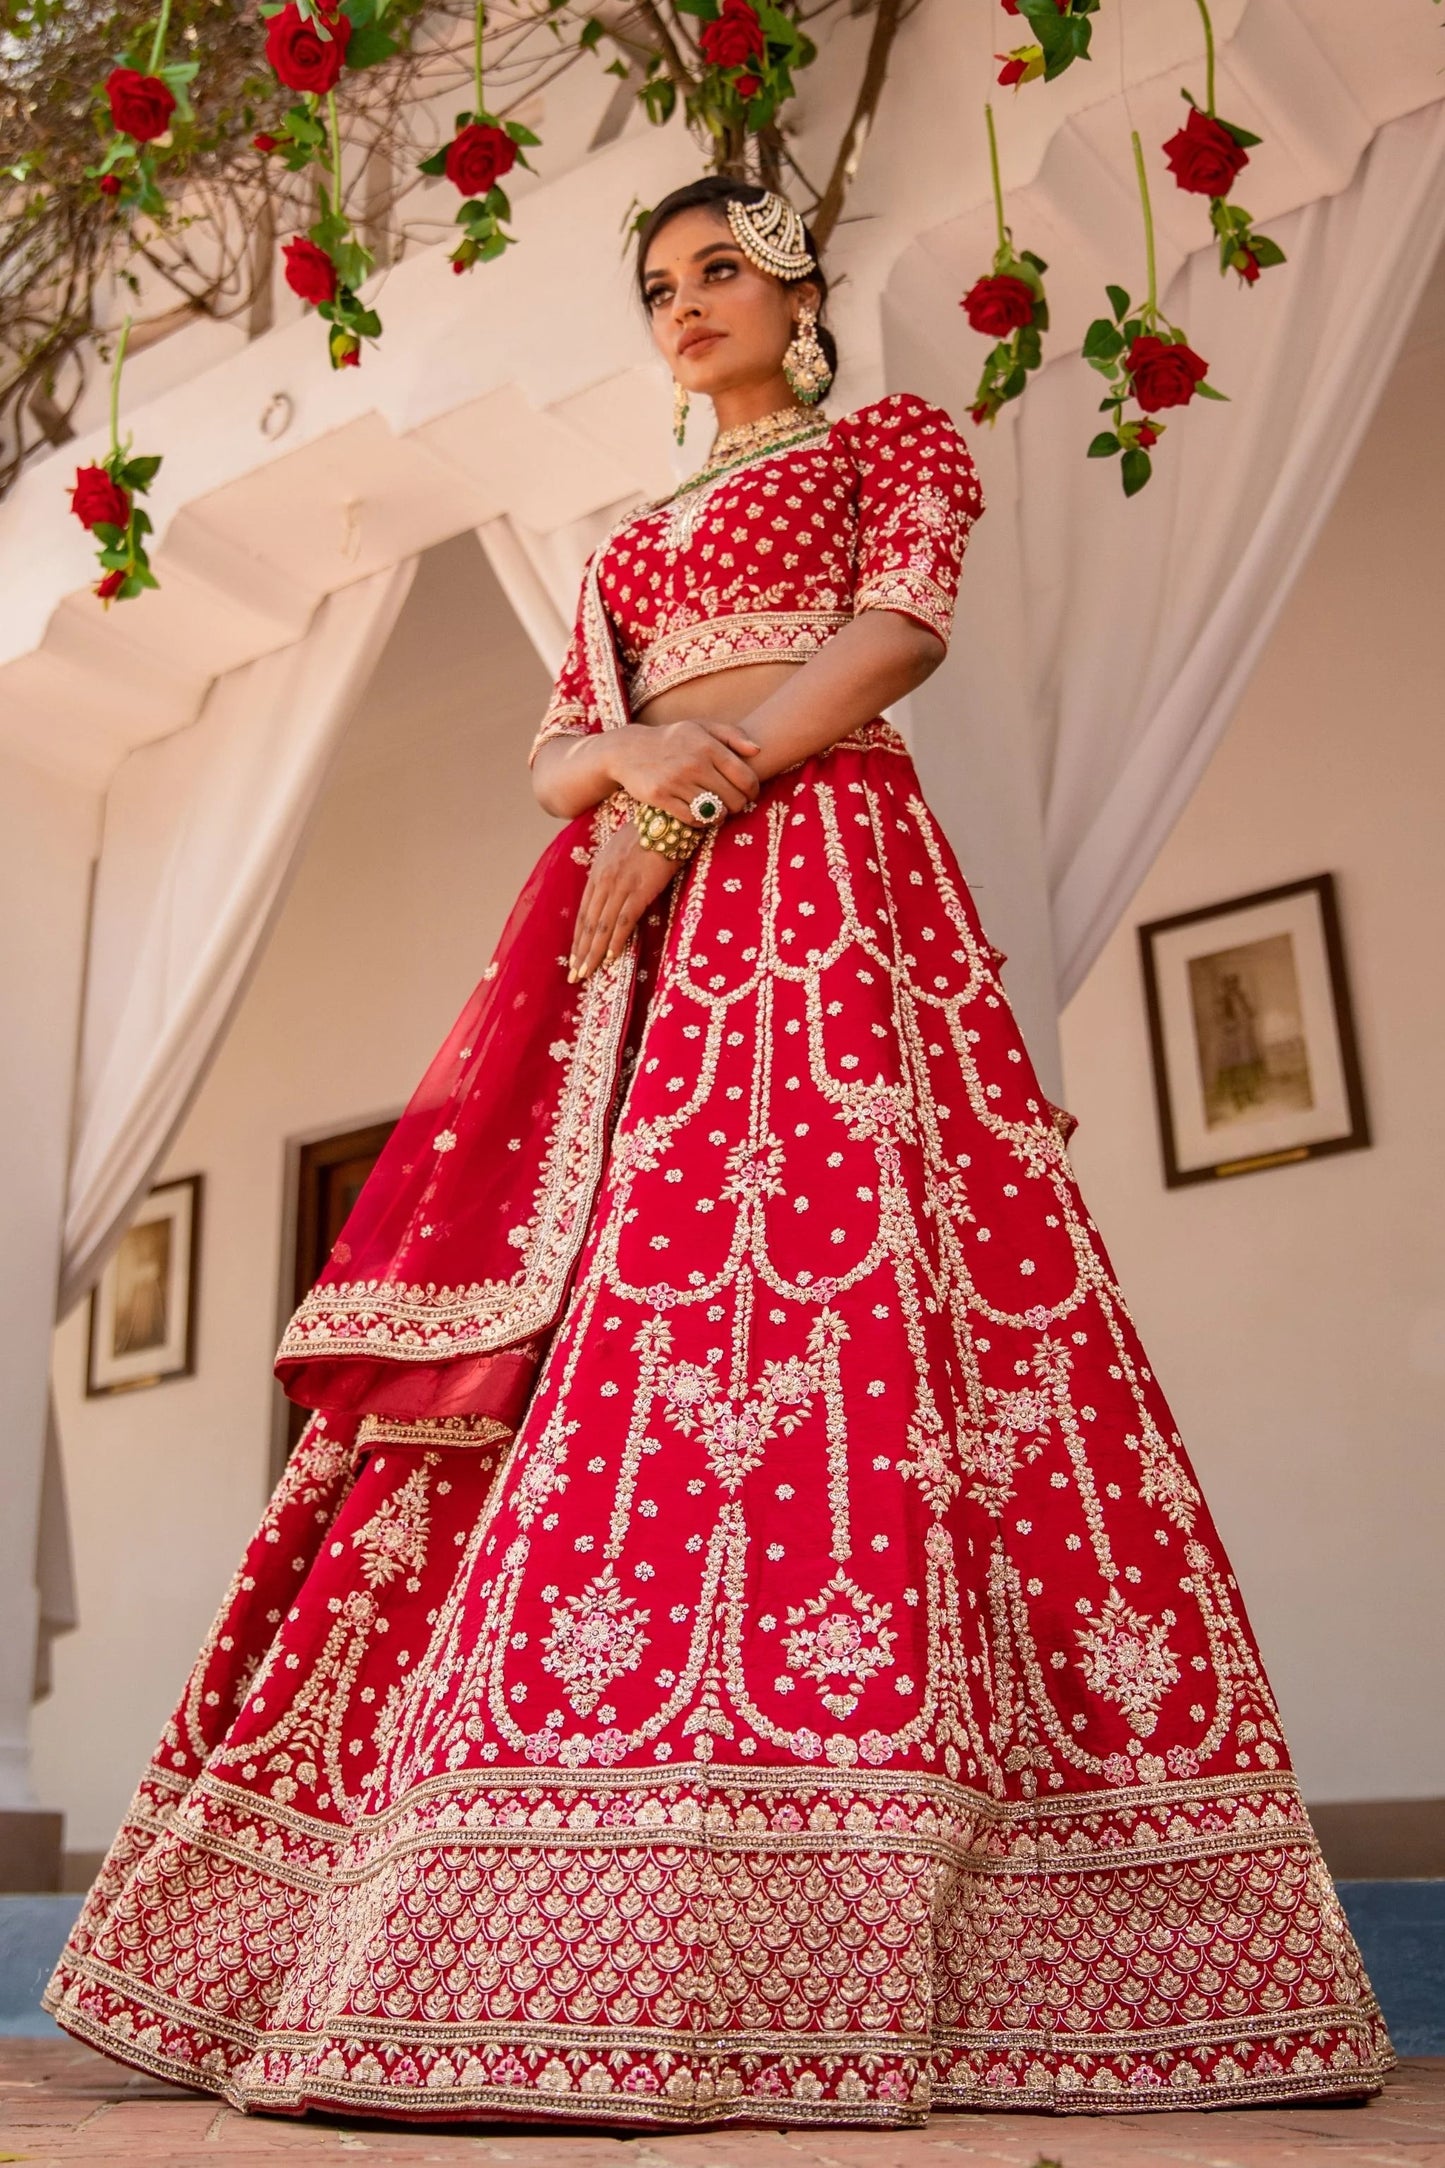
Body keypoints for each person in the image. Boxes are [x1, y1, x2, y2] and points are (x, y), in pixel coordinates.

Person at [46, 176, 1391, 2132]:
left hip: (823, 887)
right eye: (658, 283)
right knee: (608, 1331)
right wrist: (636, 783)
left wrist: (714, 775)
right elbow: (556, 748)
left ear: (799, 293)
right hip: (631, 943)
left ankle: (923, 1924)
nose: (685, 304)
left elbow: (901, 625)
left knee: (849, 1311)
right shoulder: (623, 539)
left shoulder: (884, 444)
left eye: (720, 272)